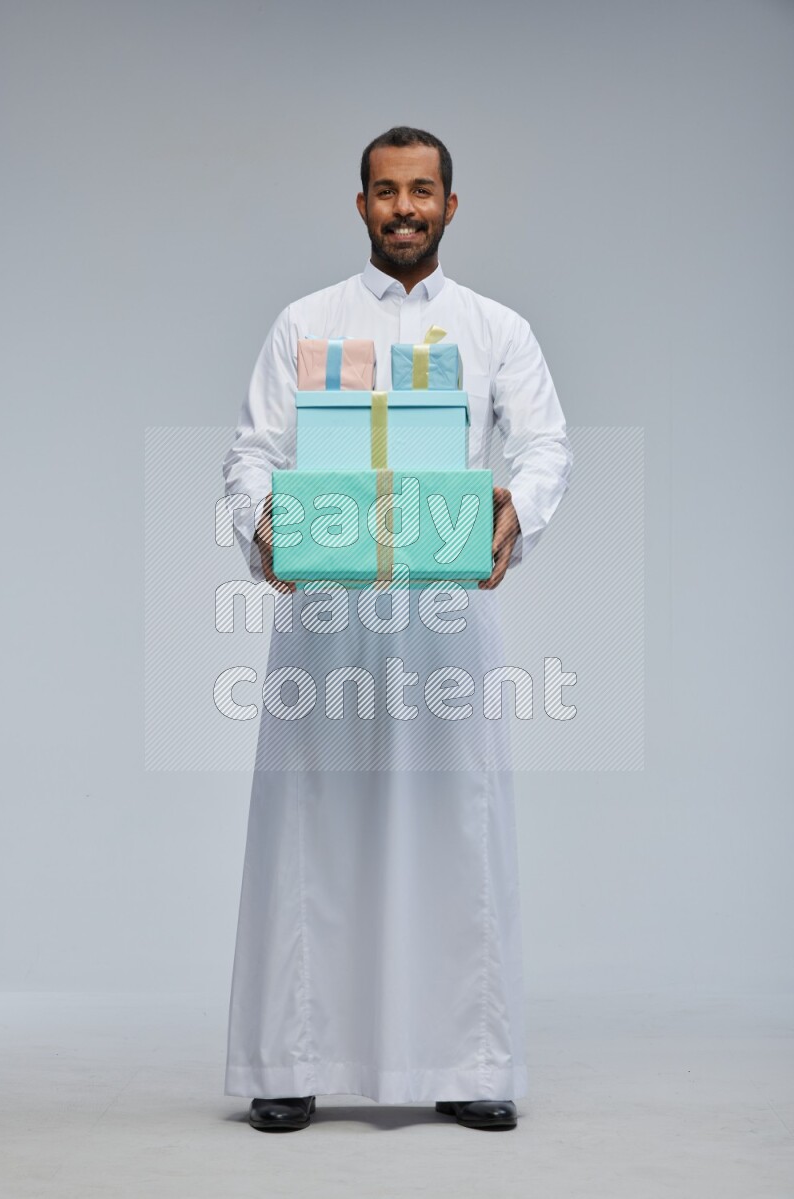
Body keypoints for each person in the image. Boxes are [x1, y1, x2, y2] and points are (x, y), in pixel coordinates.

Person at [222, 126, 573, 1133]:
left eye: (423, 191)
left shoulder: (493, 328)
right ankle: (290, 1058)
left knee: (450, 825)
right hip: (329, 618)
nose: (404, 207)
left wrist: (518, 508)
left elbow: (543, 441)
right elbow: (253, 448)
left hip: (441, 622)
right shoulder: (305, 322)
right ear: (361, 203)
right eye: (386, 191)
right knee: (311, 829)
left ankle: (466, 1060)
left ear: (451, 206)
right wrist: (260, 516)